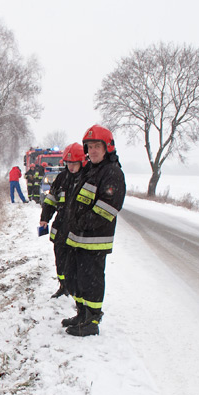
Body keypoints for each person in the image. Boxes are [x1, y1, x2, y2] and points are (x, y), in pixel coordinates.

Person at [62, 125, 126, 336]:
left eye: (97, 146)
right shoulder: (90, 170)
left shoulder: (112, 173)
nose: (93, 150)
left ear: (107, 147)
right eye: (90, 147)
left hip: (95, 240)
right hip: (78, 239)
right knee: (76, 278)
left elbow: (107, 208)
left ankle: (92, 321)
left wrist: (81, 222)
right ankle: (82, 313)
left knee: (92, 281)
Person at [39, 143, 87, 298]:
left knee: (73, 265)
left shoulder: (87, 179)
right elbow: (51, 200)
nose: (71, 167)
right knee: (60, 260)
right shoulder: (61, 178)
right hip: (61, 227)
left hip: (77, 230)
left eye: (74, 163)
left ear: (82, 162)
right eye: (68, 163)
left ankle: (75, 290)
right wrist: (44, 218)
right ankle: (63, 286)